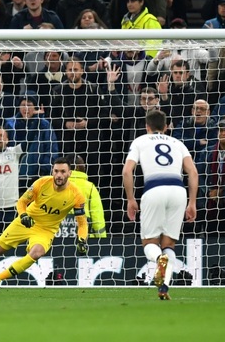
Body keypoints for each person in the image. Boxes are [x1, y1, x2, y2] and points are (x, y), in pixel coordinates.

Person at [0, 157, 88, 288]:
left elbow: (82, 223)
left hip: (46, 230)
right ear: (52, 171)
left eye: (63, 172)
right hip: (26, 221)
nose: (58, 175)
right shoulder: (41, 183)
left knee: (36, 253)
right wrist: (23, 215)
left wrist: (82, 240)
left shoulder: (76, 195)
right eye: (56, 171)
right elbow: (22, 202)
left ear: (69, 173)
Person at [122, 109, 198, 300]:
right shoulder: (177, 143)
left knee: (149, 242)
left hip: (154, 189)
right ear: (166, 127)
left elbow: (126, 171)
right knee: (169, 244)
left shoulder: (140, 141)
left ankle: (158, 260)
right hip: (178, 190)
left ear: (147, 126)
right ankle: (164, 286)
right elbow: (193, 172)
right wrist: (192, 203)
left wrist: (131, 199)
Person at [65, 154, 107, 239]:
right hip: (84, 238)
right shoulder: (90, 187)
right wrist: (102, 239)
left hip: (57, 239)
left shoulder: (54, 185)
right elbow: (97, 216)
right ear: (79, 167)